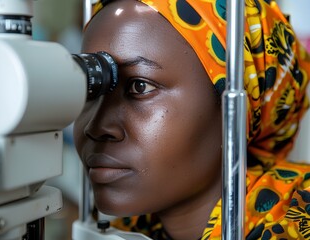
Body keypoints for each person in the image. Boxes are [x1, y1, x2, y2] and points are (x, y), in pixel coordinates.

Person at [73, 0, 310, 239]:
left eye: (139, 86)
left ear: (240, 103)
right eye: (91, 89)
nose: (97, 126)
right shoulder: (126, 230)